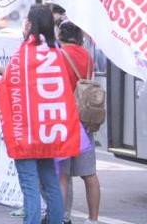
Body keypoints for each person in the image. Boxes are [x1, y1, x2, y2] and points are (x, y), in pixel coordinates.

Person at [6, 5, 65, 224]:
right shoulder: (56, 51)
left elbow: (10, 84)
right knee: (51, 183)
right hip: (47, 129)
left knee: (30, 187)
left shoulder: (24, 52)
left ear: (30, 24)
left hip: (26, 131)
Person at [57, 20, 101, 224]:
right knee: (89, 175)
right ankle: (93, 219)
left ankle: (62, 217)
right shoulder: (87, 56)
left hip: (64, 119)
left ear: (61, 35)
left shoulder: (57, 55)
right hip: (84, 120)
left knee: (62, 174)